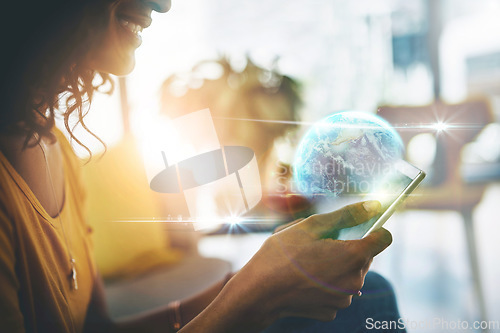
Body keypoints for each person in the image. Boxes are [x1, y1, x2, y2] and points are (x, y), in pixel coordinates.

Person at [0, 1, 401, 332]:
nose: (163, 4)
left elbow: (96, 328)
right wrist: (256, 297)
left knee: (371, 294)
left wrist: (244, 283)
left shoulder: (55, 147)